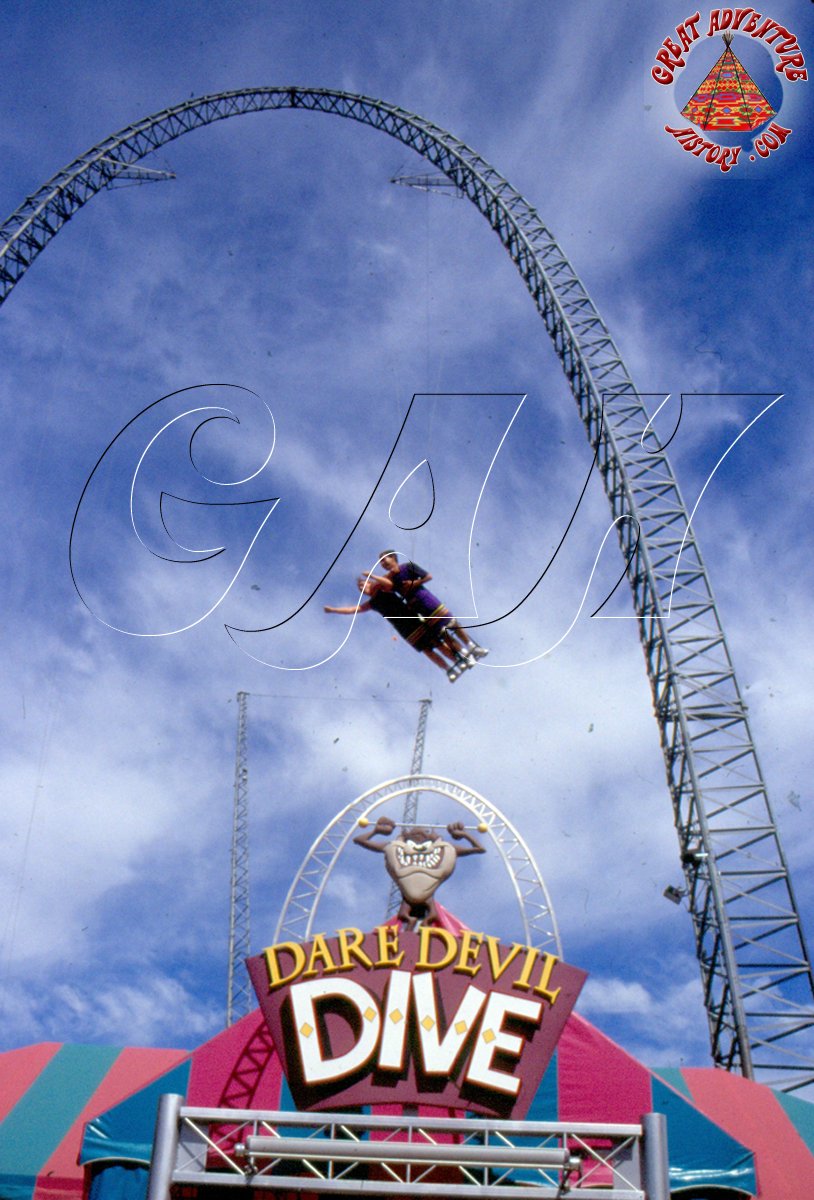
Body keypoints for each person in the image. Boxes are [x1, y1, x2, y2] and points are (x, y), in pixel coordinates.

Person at [324, 575, 469, 682]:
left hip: (413, 619)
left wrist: (372, 577)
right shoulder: (371, 603)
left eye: (363, 585)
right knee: (427, 650)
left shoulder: (384, 588)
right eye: (360, 588)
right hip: (404, 629)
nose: (362, 589)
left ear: (370, 583)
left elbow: (387, 583)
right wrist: (333, 610)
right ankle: (448, 669)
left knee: (437, 643)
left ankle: (459, 660)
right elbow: (353, 609)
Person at [377, 551, 489, 665]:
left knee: (452, 623)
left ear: (393, 557)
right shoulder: (389, 580)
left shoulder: (407, 567)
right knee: (442, 633)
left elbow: (428, 576)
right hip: (417, 608)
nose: (383, 563)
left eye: (384, 559)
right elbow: (382, 587)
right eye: (381, 562)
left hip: (427, 599)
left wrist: (414, 583)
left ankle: (472, 646)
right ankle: (465, 654)